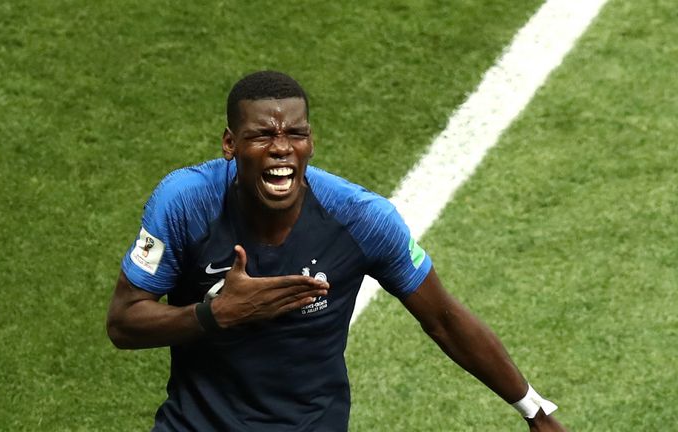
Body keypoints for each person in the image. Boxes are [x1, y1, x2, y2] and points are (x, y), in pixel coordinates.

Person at [106, 70, 566, 431]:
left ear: (310, 141)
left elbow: (443, 318)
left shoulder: (360, 217)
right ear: (230, 144)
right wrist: (213, 316)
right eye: (262, 135)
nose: (281, 148)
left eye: (296, 134)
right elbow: (123, 323)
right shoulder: (187, 202)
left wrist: (534, 411)